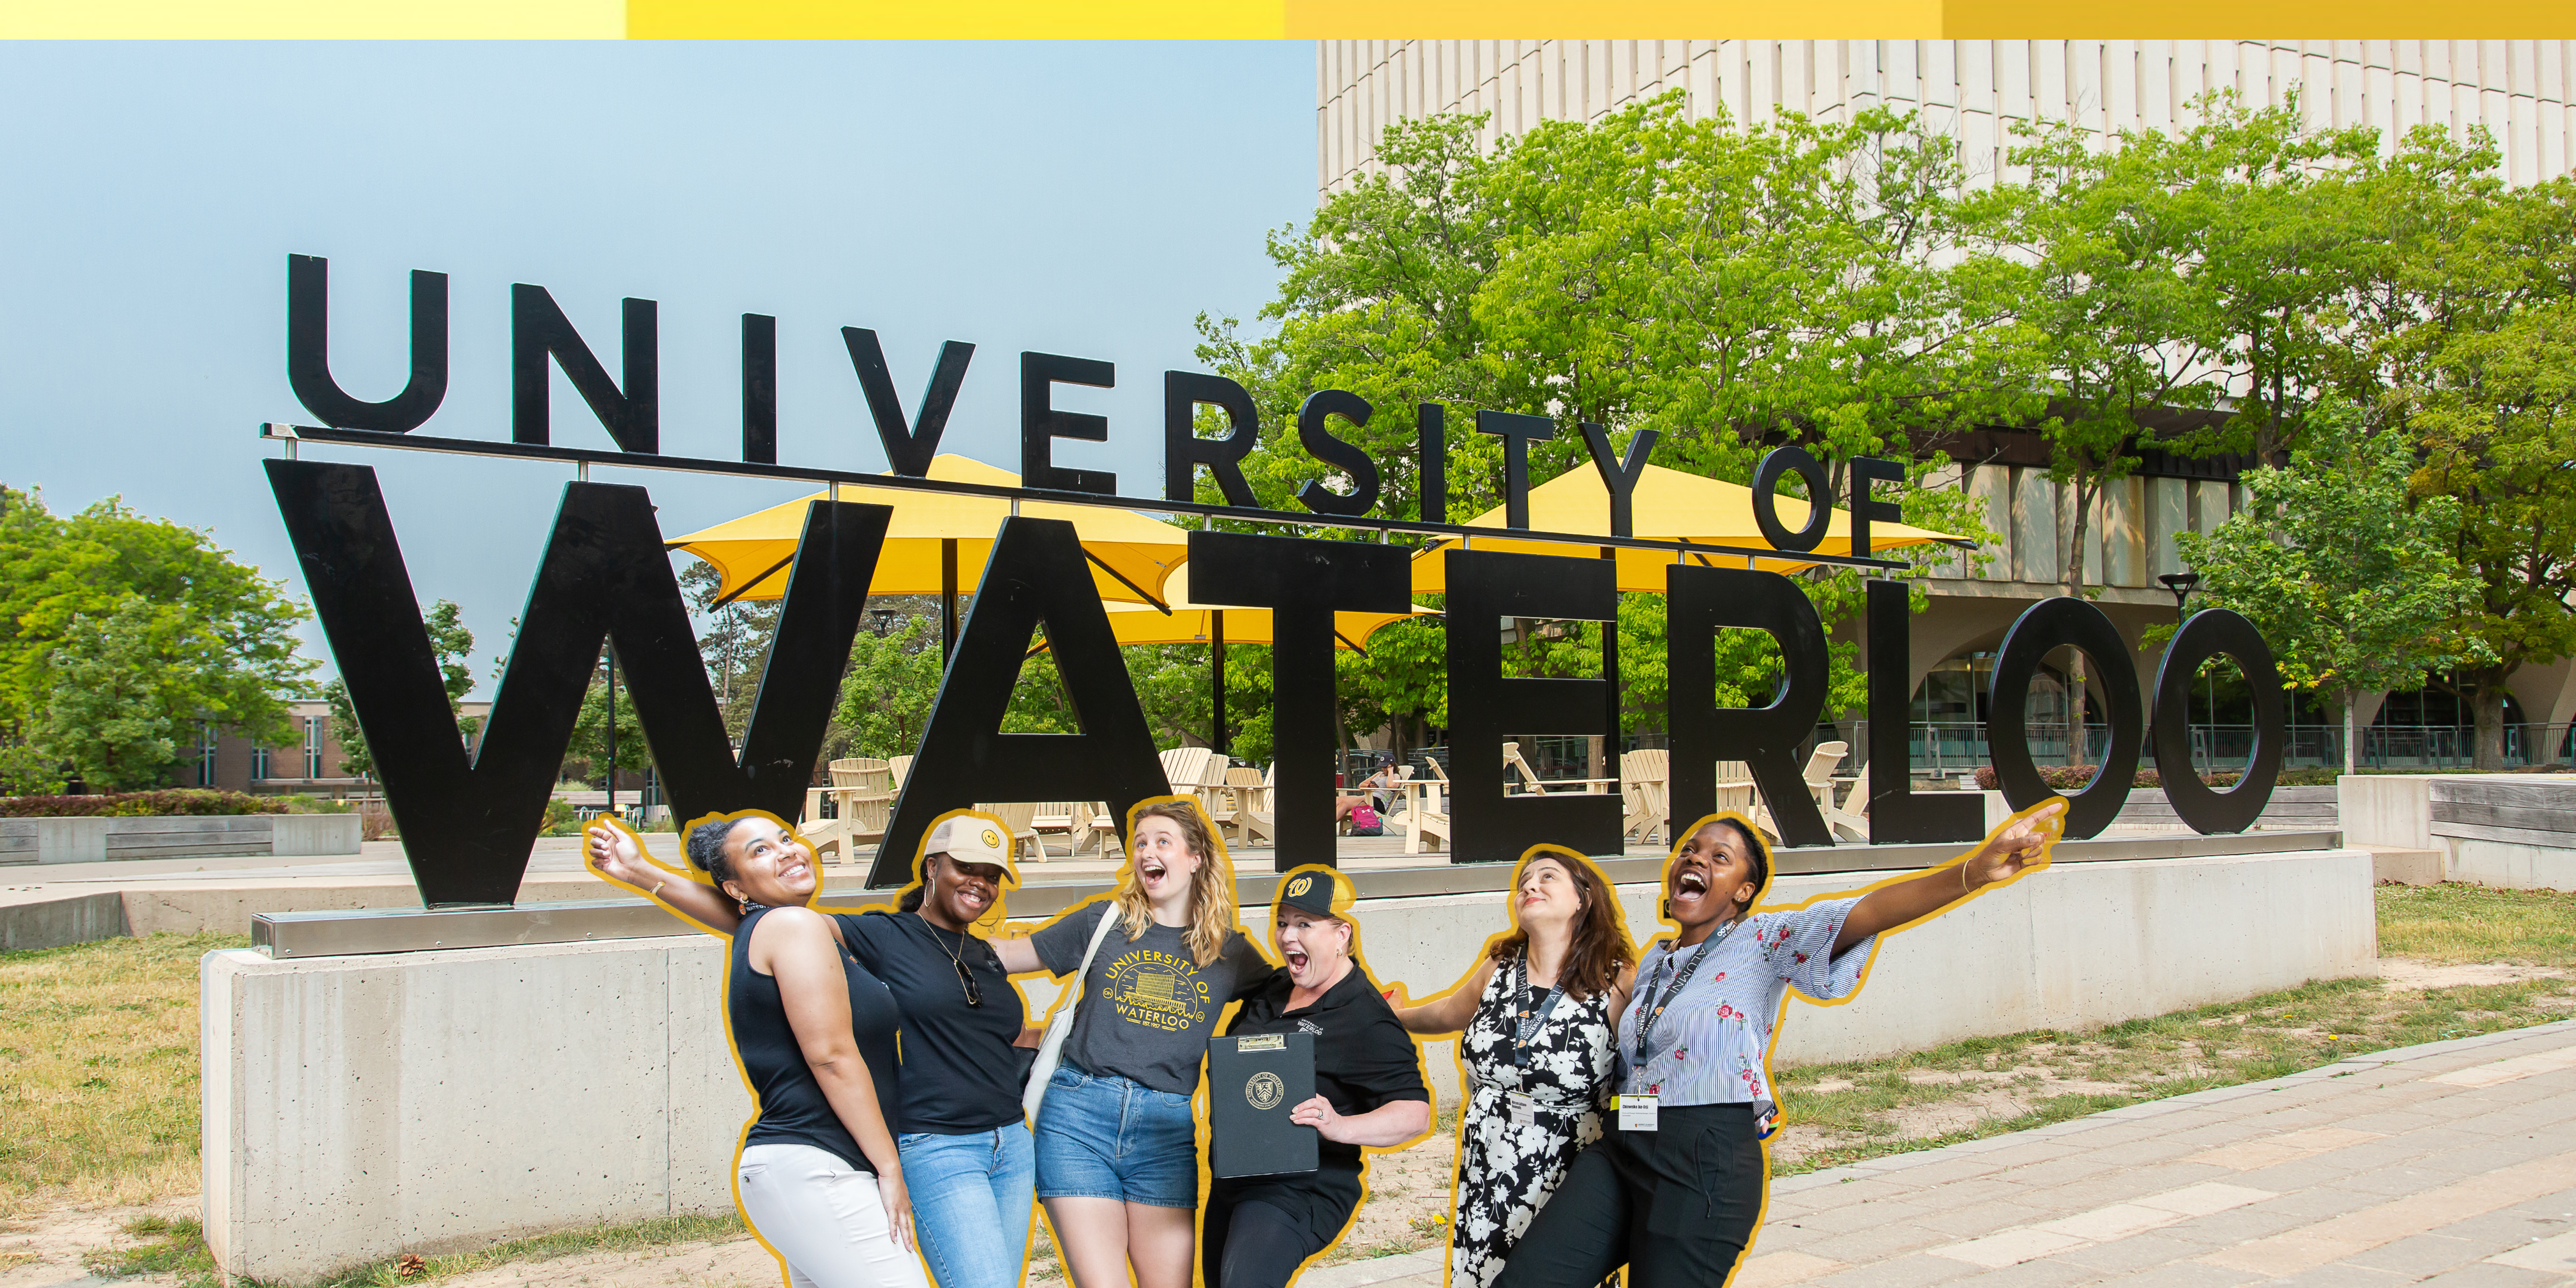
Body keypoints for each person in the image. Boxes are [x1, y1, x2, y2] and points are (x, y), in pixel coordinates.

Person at [1492, 801, 2068, 1288]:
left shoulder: (1763, 940)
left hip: (1703, 1157)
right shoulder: (1653, 967)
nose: (1696, 859)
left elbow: (1868, 913)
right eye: (1691, 850)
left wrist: (1974, 869)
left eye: (1720, 858)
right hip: (1623, 1146)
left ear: (1744, 891)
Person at [592, 812, 1037, 1288]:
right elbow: (831, 1055)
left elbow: (745, 911)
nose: (785, 850)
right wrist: (891, 1168)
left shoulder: (784, 928)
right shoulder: (797, 927)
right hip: (819, 1166)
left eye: (785, 838)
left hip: (815, 1168)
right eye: (759, 851)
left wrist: (642, 872)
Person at [987, 798, 1275, 1288]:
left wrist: (1381, 1009)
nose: (1147, 853)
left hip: (1166, 1133)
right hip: (1077, 1120)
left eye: (1163, 842)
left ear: (1196, 858)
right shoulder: (1104, 923)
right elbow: (1005, 956)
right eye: (1141, 843)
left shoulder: (1230, 953)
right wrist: (904, 940)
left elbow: (1298, 1000)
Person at [1393, 848, 1636, 1288]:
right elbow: (1451, 1013)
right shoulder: (1500, 967)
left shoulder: (1618, 980)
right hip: (1489, 1162)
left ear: (1584, 898)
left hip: (1569, 1170)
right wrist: (1392, 1017)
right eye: (1524, 880)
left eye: (1548, 877)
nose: (1530, 885)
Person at [1203, 865, 1432, 1288]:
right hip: (1234, 1177)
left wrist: (1341, 1126)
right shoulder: (1272, 988)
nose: (1289, 936)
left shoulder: (1364, 1016)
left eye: (1306, 924)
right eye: (1283, 923)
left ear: (1342, 935)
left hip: (1297, 1189)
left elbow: (1415, 1112)